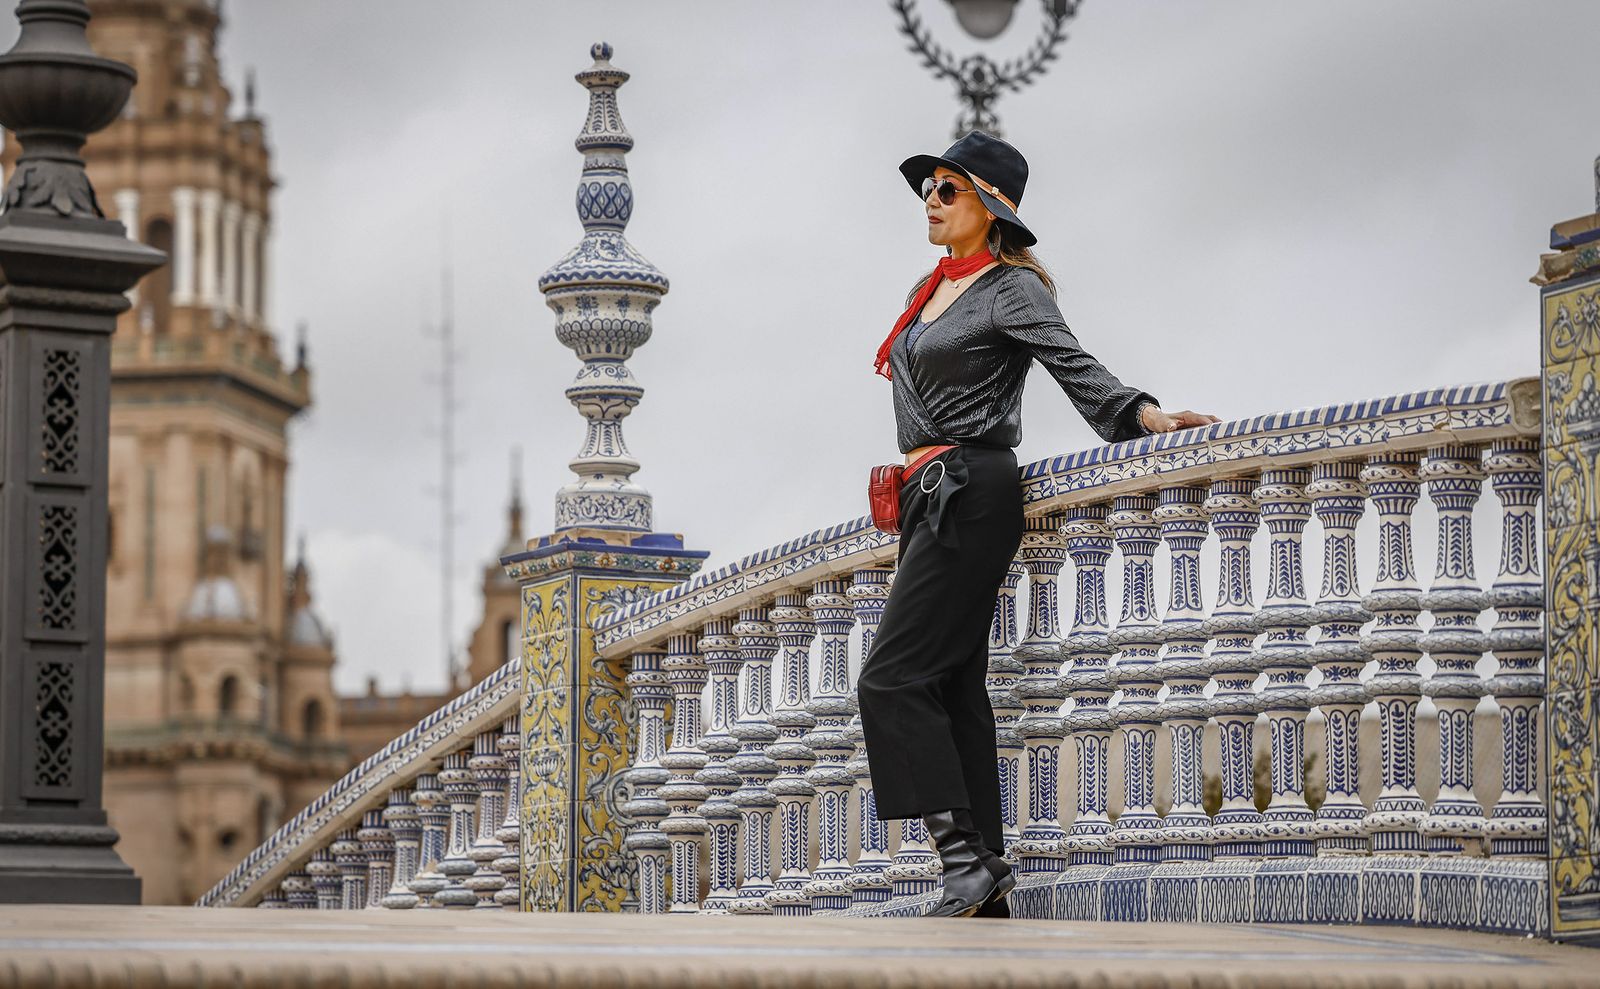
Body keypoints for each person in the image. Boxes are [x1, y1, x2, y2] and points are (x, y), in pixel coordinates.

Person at [856, 130, 1220, 919]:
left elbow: (1074, 364)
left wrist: (1146, 413)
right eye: (928, 189)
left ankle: (960, 860)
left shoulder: (1010, 287)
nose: (931, 199)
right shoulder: (928, 288)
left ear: (989, 207)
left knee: (888, 677)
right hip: (925, 491)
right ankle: (984, 879)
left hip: (973, 489)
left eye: (947, 189)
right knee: (953, 686)